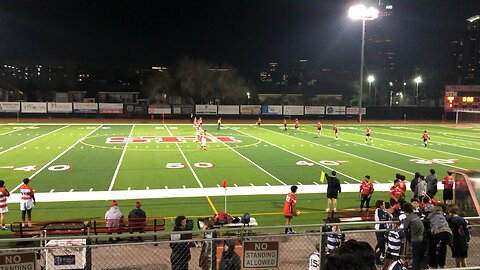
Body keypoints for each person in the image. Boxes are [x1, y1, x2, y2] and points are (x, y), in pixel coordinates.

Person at [401, 202, 424, 270]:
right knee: (421, 259)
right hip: (422, 239)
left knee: (416, 259)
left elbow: (405, 232)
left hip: (416, 241)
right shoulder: (416, 216)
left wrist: (410, 240)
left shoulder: (407, 219)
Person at [374, 200, 390, 265]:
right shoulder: (379, 211)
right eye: (383, 204)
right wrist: (388, 214)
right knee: (380, 244)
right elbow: (383, 218)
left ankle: (380, 257)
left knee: (381, 244)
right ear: (380, 205)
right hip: (380, 230)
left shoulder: (381, 211)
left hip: (383, 230)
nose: (384, 205)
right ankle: (376, 258)